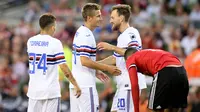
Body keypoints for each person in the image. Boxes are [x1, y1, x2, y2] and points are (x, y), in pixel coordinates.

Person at [70, 3, 121, 112]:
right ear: (89, 18)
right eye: (98, 16)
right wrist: (106, 68)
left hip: (77, 84)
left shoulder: (80, 31)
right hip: (85, 86)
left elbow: (81, 60)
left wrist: (96, 71)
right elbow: (84, 61)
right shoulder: (86, 35)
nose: (101, 19)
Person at [26, 13, 81, 112]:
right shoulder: (55, 43)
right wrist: (75, 85)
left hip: (33, 91)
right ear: (52, 27)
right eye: (55, 26)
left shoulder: (30, 41)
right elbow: (64, 68)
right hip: (50, 92)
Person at [97, 4, 147, 112]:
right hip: (122, 85)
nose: (110, 21)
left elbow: (134, 55)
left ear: (121, 18)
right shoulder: (122, 36)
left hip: (129, 84)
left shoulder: (131, 33)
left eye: (113, 18)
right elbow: (116, 58)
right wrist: (96, 64)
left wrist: (111, 47)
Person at [124, 48, 189, 112]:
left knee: (153, 107)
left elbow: (134, 85)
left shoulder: (130, 58)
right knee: (174, 107)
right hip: (182, 71)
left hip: (165, 70)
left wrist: (136, 110)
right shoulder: (148, 54)